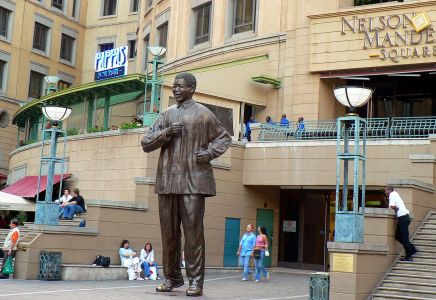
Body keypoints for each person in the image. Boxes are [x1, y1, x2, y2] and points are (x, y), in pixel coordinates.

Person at [141, 72, 231, 297]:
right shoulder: (166, 115)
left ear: (192, 88)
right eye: (174, 86)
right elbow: (145, 142)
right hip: (168, 182)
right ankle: (172, 278)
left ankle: (196, 281)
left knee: (193, 234)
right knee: (168, 234)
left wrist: (209, 153)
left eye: (180, 86)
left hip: (193, 182)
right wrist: (165, 134)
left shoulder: (203, 114)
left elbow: (224, 137)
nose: (176, 90)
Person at [385, 186, 417, 261]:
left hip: (403, 218)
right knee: (398, 236)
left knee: (404, 237)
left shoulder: (392, 194)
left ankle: (409, 256)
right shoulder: (395, 194)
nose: (385, 192)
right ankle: (412, 249)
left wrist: (396, 209)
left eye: (386, 191)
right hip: (404, 217)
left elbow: (392, 206)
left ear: (389, 190)